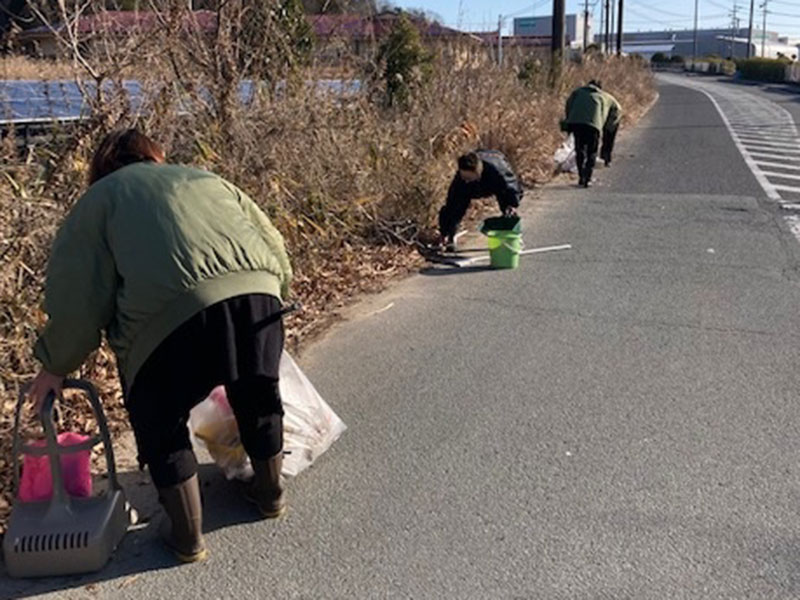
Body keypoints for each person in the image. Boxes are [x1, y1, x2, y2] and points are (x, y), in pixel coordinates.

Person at [28, 129, 293, 563]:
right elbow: (274, 245)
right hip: (259, 295)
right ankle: (270, 496)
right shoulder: (206, 179)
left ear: (102, 170)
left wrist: (55, 363)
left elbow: (78, 296)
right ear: (155, 156)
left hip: (170, 320)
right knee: (257, 392)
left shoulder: (99, 201)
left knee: (161, 417)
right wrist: (273, 291)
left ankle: (187, 537)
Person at [438, 150, 522, 251]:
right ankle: (450, 239)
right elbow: (451, 205)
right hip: (472, 187)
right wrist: (444, 232)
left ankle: (509, 239)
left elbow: (512, 187)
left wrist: (512, 204)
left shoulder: (498, 170)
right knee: (456, 207)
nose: (466, 180)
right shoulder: (461, 181)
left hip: (494, 182)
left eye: (468, 177)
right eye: (463, 176)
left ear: (477, 171)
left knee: (508, 207)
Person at [563, 80, 622, 188]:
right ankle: (587, 178)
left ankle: (581, 176)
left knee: (579, 149)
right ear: (599, 88)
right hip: (593, 126)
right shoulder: (604, 96)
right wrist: (608, 127)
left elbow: (568, 104)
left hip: (576, 123)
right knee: (592, 152)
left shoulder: (577, 92)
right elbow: (617, 109)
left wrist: (569, 120)